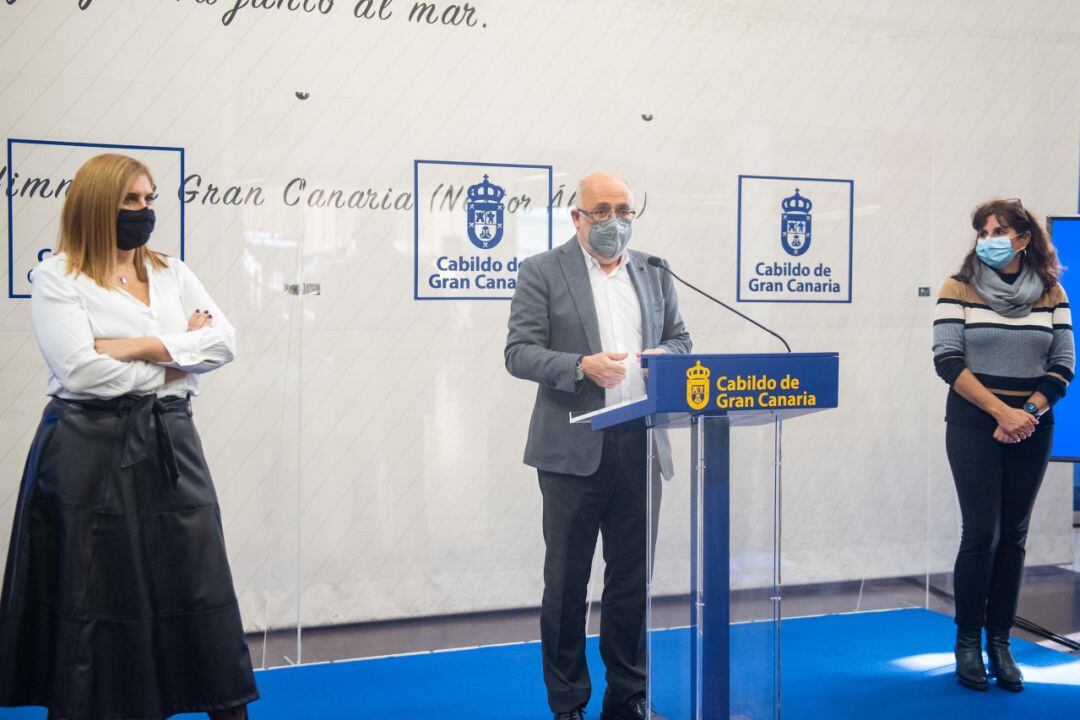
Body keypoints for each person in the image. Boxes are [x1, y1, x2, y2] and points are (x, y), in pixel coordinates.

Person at [0, 154, 258, 719]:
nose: (145, 212)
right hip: (86, 449)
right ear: (98, 207)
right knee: (98, 597)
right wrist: (177, 356)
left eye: (150, 199)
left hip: (171, 441)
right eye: (132, 202)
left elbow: (225, 342)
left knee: (198, 579)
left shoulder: (172, 271)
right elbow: (83, 372)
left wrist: (133, 345)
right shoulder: (56, 278)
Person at [505, 172, 692, 720]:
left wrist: (666, 355)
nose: (615, 222)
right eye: (603, 210)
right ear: (578, 218)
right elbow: (518, 352)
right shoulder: (542, 270)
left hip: (641, 444)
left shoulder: (654, 272)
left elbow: (682, 338)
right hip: (572, 449)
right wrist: (578, 365)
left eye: (625, 211)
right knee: (566, 583)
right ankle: (567, 703)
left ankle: (628, 695)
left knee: (632, 580)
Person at [932, 198, 1074, 693]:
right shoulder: (958, 288)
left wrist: (1027, 413)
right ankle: (967, 642)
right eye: (981, 230)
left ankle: (1000, 642)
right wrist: (1001, 412)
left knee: (1013, 535)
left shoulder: (1052, 293)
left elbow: (1064, 363)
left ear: (1023, 238)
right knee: (981, 535)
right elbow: (947, 360)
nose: (987, 237)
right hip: (975, 426)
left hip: (1031, 428)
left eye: (997, 229)